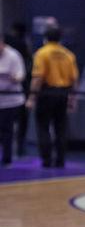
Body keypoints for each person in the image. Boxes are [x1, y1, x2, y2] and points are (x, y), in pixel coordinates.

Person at [26, 26, 78, 168]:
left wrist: (31, 97)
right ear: (60, 38)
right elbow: (74, 79)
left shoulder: (42, 53)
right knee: (61, 127)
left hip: (46, 93)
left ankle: (47, 159)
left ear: (45, 38)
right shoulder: (68, 54)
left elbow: (38, 77)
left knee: (43, 126)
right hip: (63, 94)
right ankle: (60, 160)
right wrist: (73, 99)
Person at [4, 22, 31, 157]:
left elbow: (21, 74)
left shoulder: (14, 54)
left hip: (14, 97)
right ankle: (19, 144)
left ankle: (16, 149)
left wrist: (16, 78)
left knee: (9, 126)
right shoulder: (23, 44)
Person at [0, 36, 26, 166]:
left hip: (11, 100)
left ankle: (7, 158)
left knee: (7, 130)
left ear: (2, 43)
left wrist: (13, 78)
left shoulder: (14, 55)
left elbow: (21, 75)